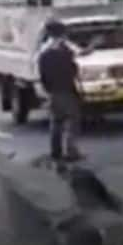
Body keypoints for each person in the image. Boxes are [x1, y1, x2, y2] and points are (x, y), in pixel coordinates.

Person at [38, 19, 84, 162]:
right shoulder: (65, 50)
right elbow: (73, 68)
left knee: (56, 122)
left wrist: (47, 89)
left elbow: (42, 73)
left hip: (53, 90)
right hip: (66, 89)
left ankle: (55, 151)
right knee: (72, 120)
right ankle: (71, 151)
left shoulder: (44, 51)